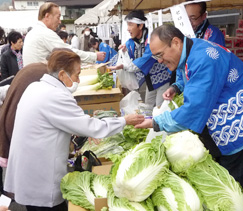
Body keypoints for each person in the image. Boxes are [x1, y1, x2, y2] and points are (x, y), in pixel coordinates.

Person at [4, 49, 144, 210]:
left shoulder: (35, 87)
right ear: (63, 74)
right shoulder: (56, 96)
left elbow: (53, 123)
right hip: (41, 176)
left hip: (29, 170)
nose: (78, 79)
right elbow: (91, 127)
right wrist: (124, 120)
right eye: (77, 74)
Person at [135, 24, 243, 191]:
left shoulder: (205, 59)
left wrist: (156, 123)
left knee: (229, 188)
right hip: (224, 120)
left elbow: (194, 109)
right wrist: (176, 87)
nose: (159, 61)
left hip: (236, 126)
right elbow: (187, 73)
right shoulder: (191, 48)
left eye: (160, 55)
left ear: (175, 42)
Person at [109, 10, 172, 107]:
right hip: (150, 81)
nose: (128, 29)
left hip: (163, 80)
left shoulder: (152, 41)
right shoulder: (132, 42)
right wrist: (109, 65)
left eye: (130, 25)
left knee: (161, 108)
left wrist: (123, 66)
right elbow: (119, 56)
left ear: (140, 26)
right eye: (127, 25)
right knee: (147, 106)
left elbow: (143, 61)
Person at [22, 2, 105, 66]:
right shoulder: (44, 33)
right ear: (47, 16)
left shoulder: (34, 32)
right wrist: (94, 56)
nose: (59, 22)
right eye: (58, 17)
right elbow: (68, 52)